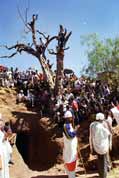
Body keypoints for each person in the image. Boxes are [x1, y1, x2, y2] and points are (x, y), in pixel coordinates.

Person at [89, 113, 112, 178]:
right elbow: (108, 134)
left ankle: (101, 174)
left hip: (96, 146)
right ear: (101, 119)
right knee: (104, 161)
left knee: (99, 160)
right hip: (103, 147)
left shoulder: (92, 125)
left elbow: (91, 136)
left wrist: (92, 146)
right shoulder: (101, 126)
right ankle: (104, 175)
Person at [63, 110, 79, 178]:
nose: (72, 118)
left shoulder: (69, 125)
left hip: (72, 148)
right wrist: (76, 130)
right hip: (69, 149)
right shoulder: (66, 126)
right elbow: (69, 136)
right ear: (68, 118)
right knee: (70, 161)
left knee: (72, 161)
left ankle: (71, 175)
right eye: (71, 117)